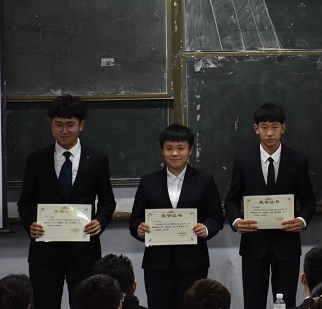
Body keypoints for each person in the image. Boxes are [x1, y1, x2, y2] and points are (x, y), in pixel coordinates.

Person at [17, 94, 116, 309]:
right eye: (58, 124)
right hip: (45, 252)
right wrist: (30, 224)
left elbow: (108, 201)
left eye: (70, 125)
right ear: (51, 125)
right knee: (44, 304)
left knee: (86, 305)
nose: (64, 130)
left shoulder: (97, 159)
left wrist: (100, 221)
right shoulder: (36, 160)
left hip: (84, 252)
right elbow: (25, 203)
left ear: (81, 125)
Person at [224, 103, 317, 309]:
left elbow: (309, 200)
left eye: (274, 127)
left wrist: (302, 220)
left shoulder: (297, 160)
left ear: (283, 128)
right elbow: (231, 199)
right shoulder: (243, 160)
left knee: (286, 303)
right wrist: (236, 221)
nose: (269, 133)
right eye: (264, 127)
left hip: (287, 244)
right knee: (253, 302)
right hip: (253, 244)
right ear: (255, 128)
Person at [129, 124, 225, 309]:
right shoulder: (148, 181)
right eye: (169, 148)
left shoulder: (205, 180)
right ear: (162, 150)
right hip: (157, 264)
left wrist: (206, 229)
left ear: (190, 150)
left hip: (193, 262)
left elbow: (216, 217)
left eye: (180, 148)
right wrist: (139, 229)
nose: (175, 153)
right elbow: (135, 220)